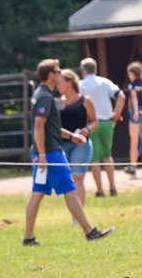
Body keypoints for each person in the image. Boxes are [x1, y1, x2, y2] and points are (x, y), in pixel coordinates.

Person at [23, 59, 114, 246]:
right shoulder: (46, 97)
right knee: (71, 191)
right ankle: (90, 232)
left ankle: (28, 237)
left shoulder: (42, 94)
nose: (60, 74)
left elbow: (49, 126)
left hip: (44, 152)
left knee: (37, 193)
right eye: (57, 71)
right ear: (51, 75)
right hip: (50, 154)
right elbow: (39, 126)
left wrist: (72, 136)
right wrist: (42, 156)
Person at [79, 57, 125, 197]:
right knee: (107, 156)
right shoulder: (104, 82)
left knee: (94, 159)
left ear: (83, 71)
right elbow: (121, 96)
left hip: (90, 124)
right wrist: (116, 115)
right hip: (106, 123)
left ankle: (100, 190)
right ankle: (113, 188)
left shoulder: (80, 85)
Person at [57, 68, 97, 206]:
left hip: (81, 145)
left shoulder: (84, 100)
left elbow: (94, 120)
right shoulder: (57, 102)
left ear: (69, 82)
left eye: (60, 82)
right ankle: (75, 212)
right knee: (68, 180)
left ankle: (78, 217)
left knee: (78, 178)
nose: (57, 85)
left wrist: (87, 130)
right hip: (62, 144)